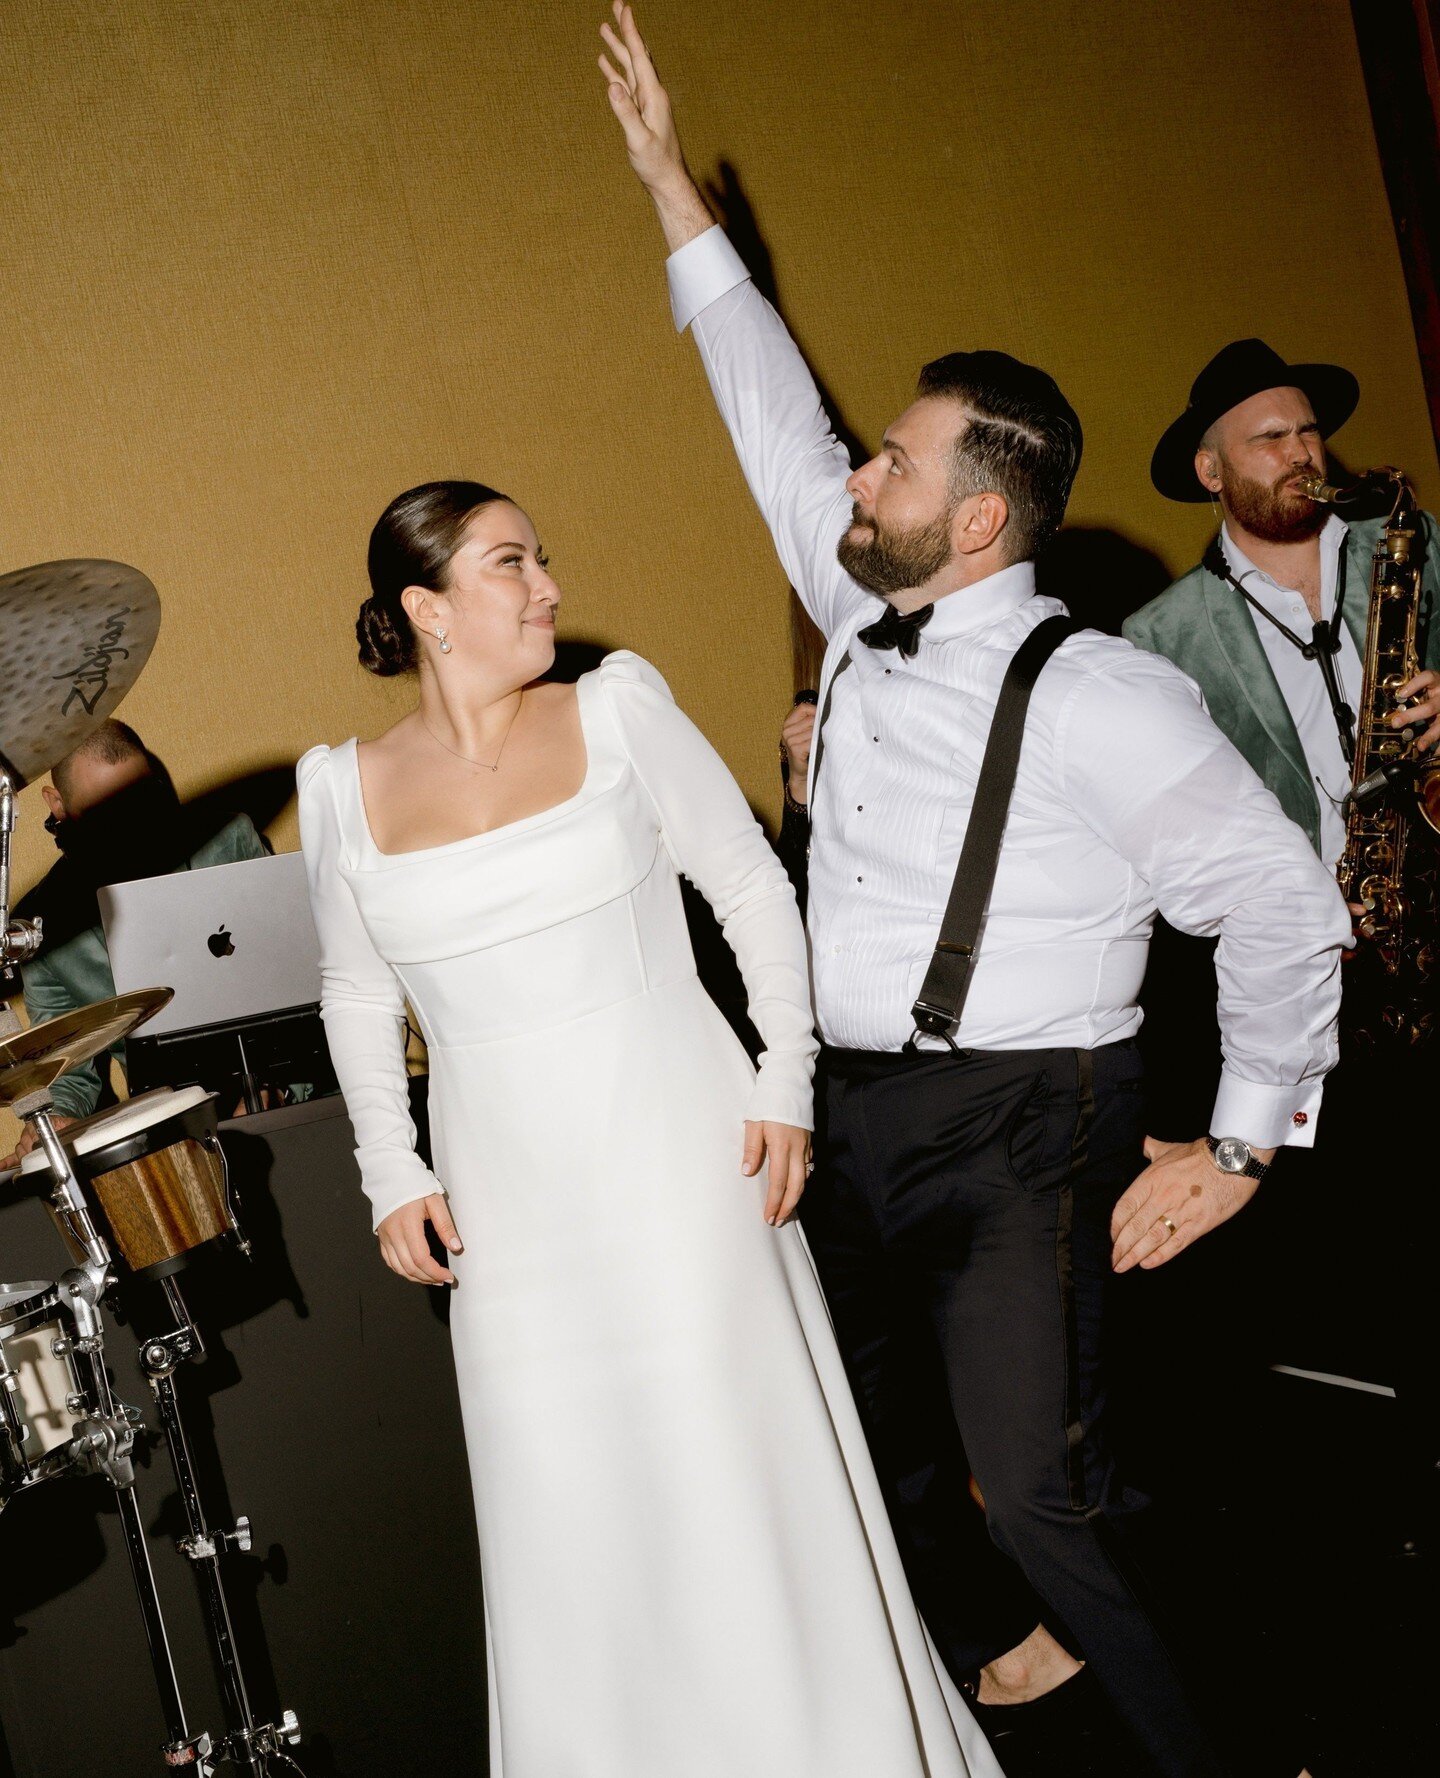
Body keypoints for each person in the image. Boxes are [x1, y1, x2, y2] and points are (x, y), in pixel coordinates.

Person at [597, 8, 1347, 1774]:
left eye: (897, 464)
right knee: (858, 1443)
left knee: (1048, 1497)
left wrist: (1239, 1140)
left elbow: (1279, 899)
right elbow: (769, 404)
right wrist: (667, 199)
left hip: (1031, 1122)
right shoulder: (866, 604)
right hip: (859, 1110)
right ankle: (1011, 1662)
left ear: (982, 519)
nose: (859, 473)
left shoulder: (1105, 696)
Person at [297, 479, 1001, 1778]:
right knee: (570, 1504)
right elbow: (352, 990)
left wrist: (785, 1075)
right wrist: (388, 1165)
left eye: (544, 555)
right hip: (508, 1204)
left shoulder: (617, 708)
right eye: (512, 562)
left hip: (682, 1149)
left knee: (731, 1468)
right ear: (427, 607)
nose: (549, 585)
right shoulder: (339, 790)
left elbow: (748, 885)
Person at [1124, 339, 1440, 1521]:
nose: (1303, 453)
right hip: (1315, 973)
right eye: (1270, 436)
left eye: (1309, 431)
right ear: (1211, 469)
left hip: (1433, 910)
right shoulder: (1160, 636)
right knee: (1383, 1248)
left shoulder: (1413, 556)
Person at [1, 720, 269, 1167]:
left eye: (140, 803)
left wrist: (276, 1087)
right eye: (106, 816)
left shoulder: (227, 840)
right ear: (57, 805)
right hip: (170, 1136)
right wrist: (58, 1119)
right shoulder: (42, 928)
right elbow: (70, 1072)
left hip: (283, 1099)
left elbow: (303, 979)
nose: (129, 831)